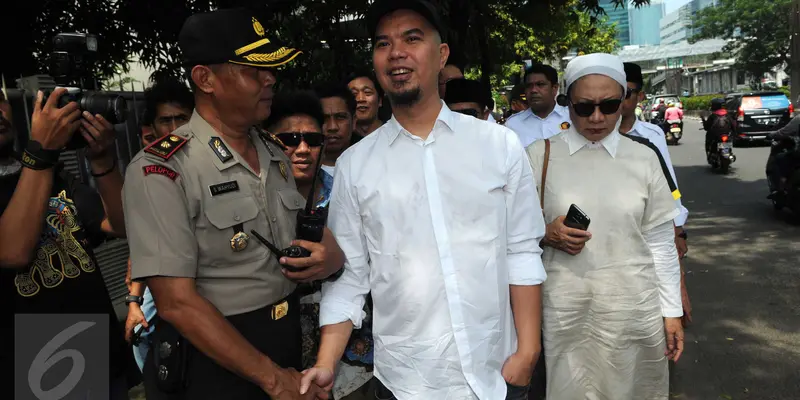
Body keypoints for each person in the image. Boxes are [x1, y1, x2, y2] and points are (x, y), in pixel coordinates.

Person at [301, 1, 547, 399]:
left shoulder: (497, 145)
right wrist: (326, 363)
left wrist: (529, 349)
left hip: (496, 373)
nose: (396, 52)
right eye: (384, 43)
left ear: (442, 54)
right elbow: (351, 274)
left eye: (412, 38)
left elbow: (521, 249)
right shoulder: (355, 165)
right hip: (405, 381)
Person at [123, 8, 344, 399]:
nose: (269, 78)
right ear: (205, 79)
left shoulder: (276, 154)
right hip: (212, 362)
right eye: (252, 70)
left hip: (284, 343)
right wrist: (275, 381)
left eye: (271, 69)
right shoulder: (163, 169)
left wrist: (331, 256)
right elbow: (176, 303)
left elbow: (298, 231)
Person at [525, 53, 684, 399]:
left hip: (634, 309)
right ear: (568, 105)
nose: (597, 118)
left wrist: (671, 312)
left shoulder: (643, 158)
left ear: (624, 101)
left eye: (609, 105)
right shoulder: (538, 156)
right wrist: (545, 232)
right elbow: (512, 233)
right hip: (566, 312)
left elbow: (660, 242)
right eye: (584, 107)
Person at [0, 88, 132, 398]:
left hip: (92, 347)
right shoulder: (41, 165)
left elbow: (120, 224)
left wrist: (102, 160)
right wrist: (42, 153)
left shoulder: (46, 172)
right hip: (31, 371)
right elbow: (13, 251)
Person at [125, 77, 195, 372]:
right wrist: (134, 301)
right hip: (163, 284)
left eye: (182, 118)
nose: (175, 127)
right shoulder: (147, 172)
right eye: (166, 120)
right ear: (151, 129)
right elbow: (144, 243)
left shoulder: (214, 162)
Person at [620, 62, 693, 326]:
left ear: (640, 96)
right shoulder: (591, 137)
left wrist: (678, 231)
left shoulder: (651, 136)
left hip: (649, 228)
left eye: (627, 92)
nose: (620, 100)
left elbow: (668, 188)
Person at [504, 63, 571, 147]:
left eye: (540, 84)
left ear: (554, 88)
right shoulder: (513, 124)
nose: (533, 90)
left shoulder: (572, 118)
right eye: (529, 86)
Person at [315, 82, 356, 177]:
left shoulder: (372, 166)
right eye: (324, 119)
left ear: (354, 121)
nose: (332, 127)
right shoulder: (299, 174)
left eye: (340, 117)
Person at [766, 111, 800, 197]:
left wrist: (772, 135)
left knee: (779, 159)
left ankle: (781, 188)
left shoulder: (798, 119)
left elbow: (784, 132)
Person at [347, 71, 384, 139]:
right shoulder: (343, 141)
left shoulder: (394, 132)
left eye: (367, 92)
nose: (360, 99)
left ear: (380, 101)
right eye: (354, 94)